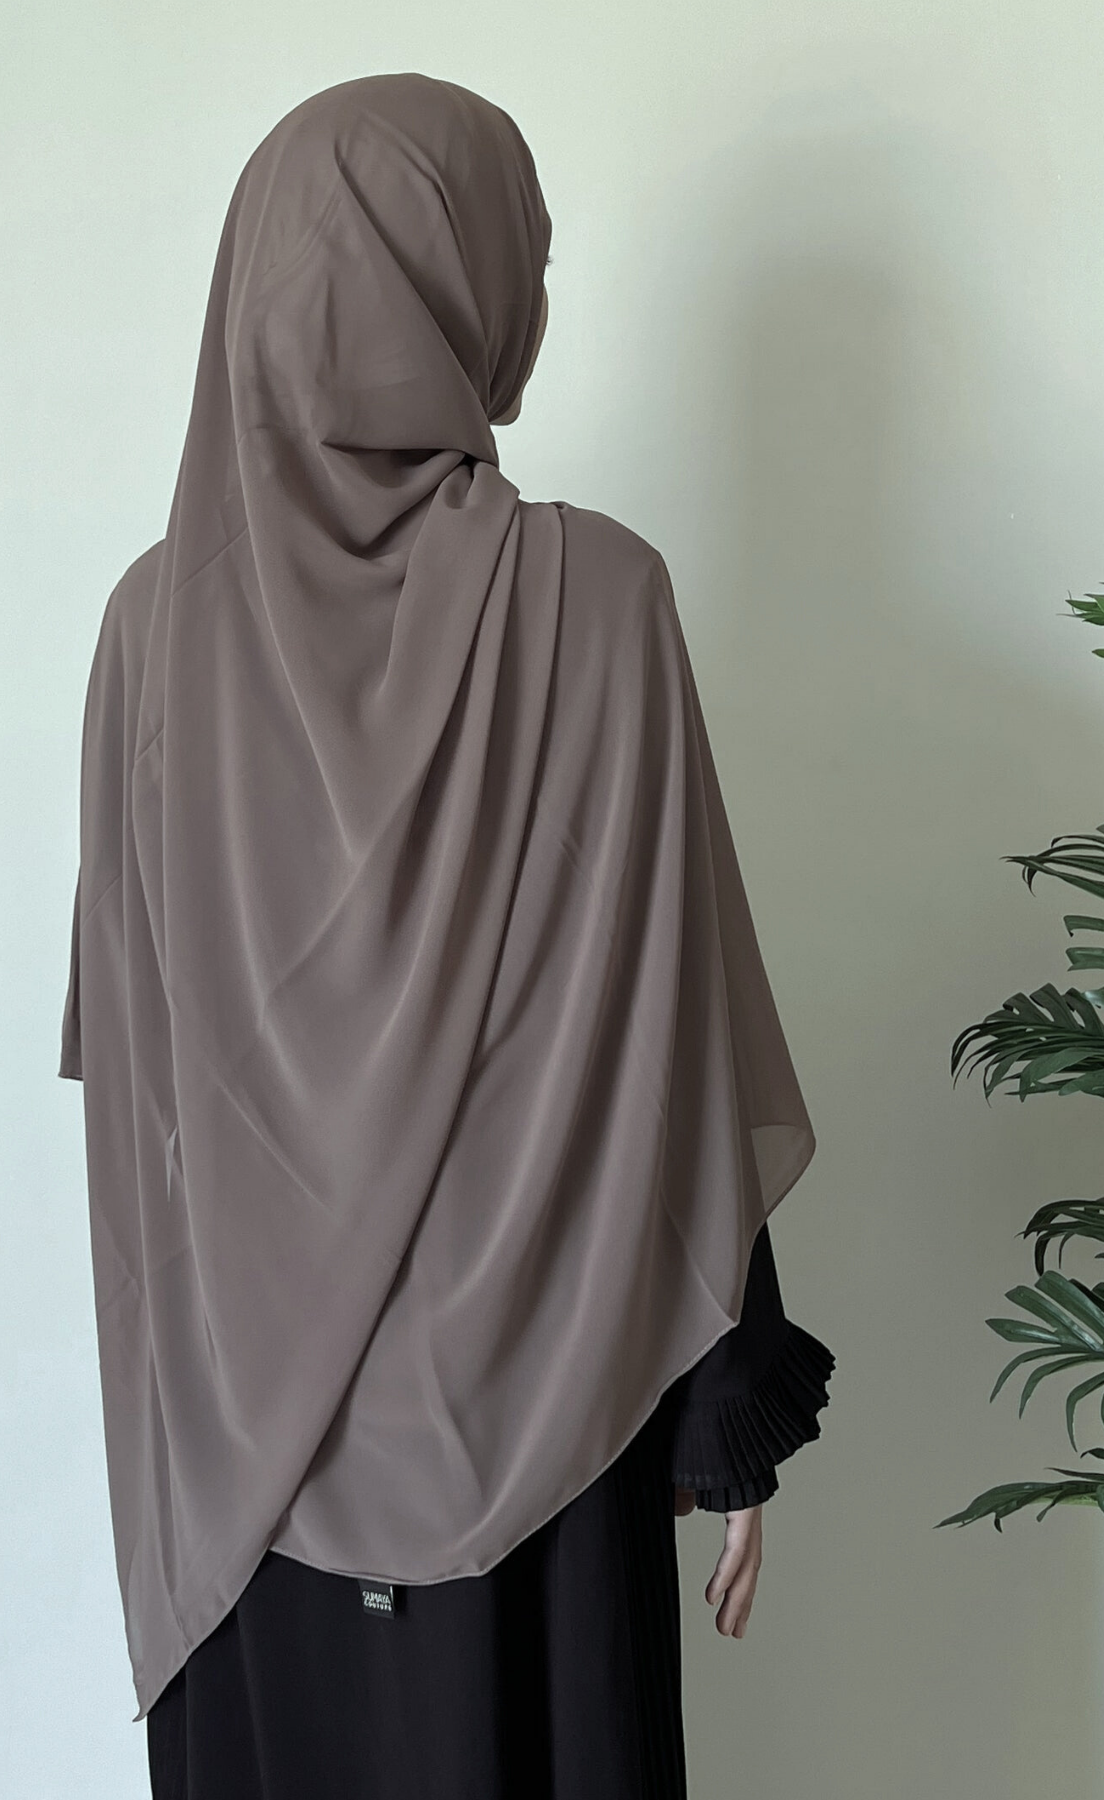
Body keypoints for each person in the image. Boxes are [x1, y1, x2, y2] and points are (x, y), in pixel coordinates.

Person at [58, 71, 836, 1800]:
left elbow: (144, 1094)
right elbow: (675, 1042)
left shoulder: (145, 635)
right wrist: (723, 1408)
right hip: (554, 1433)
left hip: (243, 1484)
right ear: (461, 283)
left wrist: (190, 1421)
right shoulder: (599, 599)